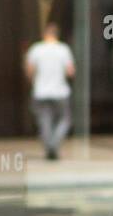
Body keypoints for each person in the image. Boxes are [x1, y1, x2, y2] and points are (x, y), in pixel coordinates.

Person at [24, 22, 75, 160]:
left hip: (41, 91)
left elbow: (29, 71)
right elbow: (70, 71)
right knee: (65, 119)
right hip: (60, 91)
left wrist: (34, 82)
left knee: (44, 120)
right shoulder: (63, 49)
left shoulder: (36, 49)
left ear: (44, 34)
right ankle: (54, 143)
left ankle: (49, 146)